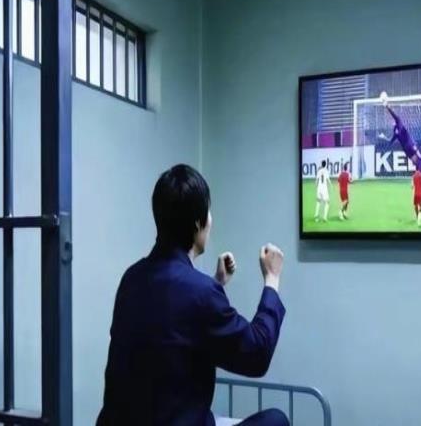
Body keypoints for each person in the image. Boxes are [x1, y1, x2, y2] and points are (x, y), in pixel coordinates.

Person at [96, 164, 288, 426]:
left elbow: (173, 328)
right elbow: (257, 354)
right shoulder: (201, 293)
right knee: (276, 420)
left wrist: (216, 283)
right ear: (198, 222)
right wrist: (272, 279)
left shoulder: (132, 279)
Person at [378, 97, 421, 185]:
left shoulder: (395, 132)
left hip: (406, 149)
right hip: (410, 144)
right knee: (420, 159)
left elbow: (390, 142)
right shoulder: (399, 123)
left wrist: (384, 137)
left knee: (416, 162)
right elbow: (394, 115)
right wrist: (387, 106)